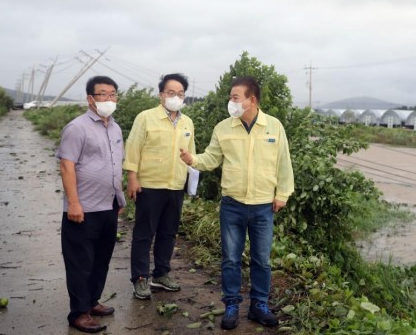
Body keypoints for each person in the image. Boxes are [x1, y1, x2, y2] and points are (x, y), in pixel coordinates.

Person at [179, 76, 294, 330]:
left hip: (263, 205)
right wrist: (192, 159)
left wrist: (282, 194)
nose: (230, 101)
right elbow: (211, 158)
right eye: (231, 97)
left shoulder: (273, 127)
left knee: (262, 259)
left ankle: (259, 305)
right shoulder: (223, 128)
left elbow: (284, 163)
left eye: (235, 97)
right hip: (233, 204)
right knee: (231, 258)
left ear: (251, 100)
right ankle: (231, 304)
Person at [56, 76, 126, 333]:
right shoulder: (77, 128)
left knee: (101, 258)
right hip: (82, 208)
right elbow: (67, 166)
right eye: (103, 94)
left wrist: (119, 197)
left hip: (108, 206)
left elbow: (114, 165)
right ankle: (79, 313)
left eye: (113, 94)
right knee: (80, 262)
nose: (109, 99)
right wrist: (73, 202)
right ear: (90, 99)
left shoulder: (115, 128)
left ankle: (93, 300)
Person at [124, 73, 195, 300]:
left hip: (175, 185)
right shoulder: (146, 117)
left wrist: (191, 184)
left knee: (168, 232)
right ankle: (141, 278)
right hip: (150, 185)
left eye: (180, 94)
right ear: (161, 95)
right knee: (144, 233)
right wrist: (132, 177)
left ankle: (161, 274)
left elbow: (190, 156)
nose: (176, 97)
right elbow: (133, 147)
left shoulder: (187, 122)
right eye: (171, 93)